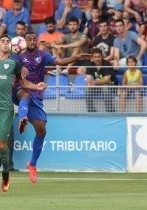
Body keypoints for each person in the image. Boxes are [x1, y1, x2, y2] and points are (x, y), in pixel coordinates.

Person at [0, 34, 47, 194]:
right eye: (3, 41)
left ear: (11, 47)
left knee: (2, 144)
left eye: (7, 41)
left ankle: (5, 173)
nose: (5, 43)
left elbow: (23, 83)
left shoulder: (14, 64)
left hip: (5, 108)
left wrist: (36, 87)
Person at [13, 31, 90, 183]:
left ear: (37, 41)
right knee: (24, 95)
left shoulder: (43, 54)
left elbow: (60, 61)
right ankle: (23, 119)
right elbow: (11, 68)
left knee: (41, 130)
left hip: (37, 93)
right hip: (20, 89)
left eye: (35, 38)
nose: (32, 41)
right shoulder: (18, 55)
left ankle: (32, 164)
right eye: (29, 39)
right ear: (24, 41)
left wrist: (75, 57)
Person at [85, 48, 118, 112]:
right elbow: (89, 80)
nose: (97, 59)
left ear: (102, 56)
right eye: (95, 57)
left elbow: (106, 80)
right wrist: (90, 84)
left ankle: (109, 110)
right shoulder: (90, 65)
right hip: (98, 86)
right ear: (92, 57)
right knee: (87, 89)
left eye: (98, 56)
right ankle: (91, 111)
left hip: (111, 85)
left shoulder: (107, 65)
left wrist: (93, 83)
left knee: (104, 87)